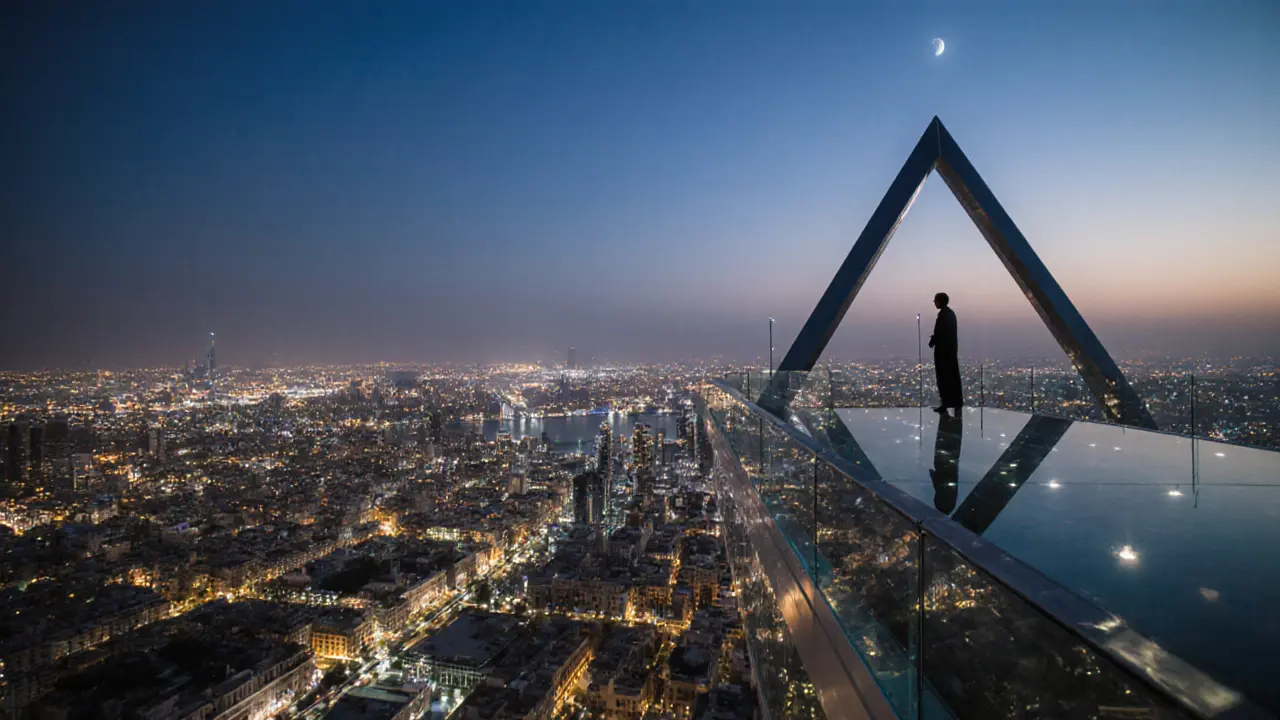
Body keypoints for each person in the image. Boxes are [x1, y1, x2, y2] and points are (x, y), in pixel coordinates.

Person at [928, 292, 963, 416]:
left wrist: (934, 340)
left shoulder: (944, 315)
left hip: (944, 353)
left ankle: (946, 403)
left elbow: (942, 333)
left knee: (943, 378)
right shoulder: (950, 314)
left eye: (935, 300)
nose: (934, 302)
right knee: (952, 378)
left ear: (940, 301)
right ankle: (955, 403)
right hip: (950, 352)